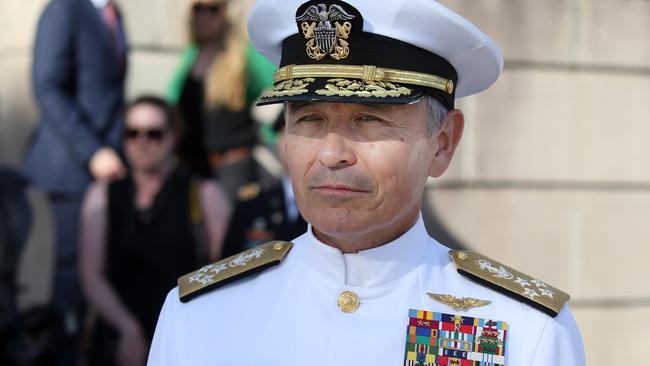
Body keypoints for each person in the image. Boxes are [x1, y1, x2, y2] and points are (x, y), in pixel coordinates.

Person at [148, 1, 585, 365]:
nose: (331, 153)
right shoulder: (200, 317)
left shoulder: (526, 331)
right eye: (309, 118)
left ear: (443, 143)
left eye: (369, 119)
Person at [79, 96, 231, 366]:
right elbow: (91, 276)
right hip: (115, 340)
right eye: (132, 133)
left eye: (154, 133)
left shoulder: (204, 194)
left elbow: (225, 274)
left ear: (173, 137)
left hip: (184, 338)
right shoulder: (102, 195)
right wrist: (128, 329)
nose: (142, 141)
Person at [23, 0, 128, 363]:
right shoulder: (64, 9)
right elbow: (47, 85)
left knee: (99, 277)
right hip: (71, 170)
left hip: (108, 170)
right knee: (70, 283)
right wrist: (92, 151)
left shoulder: (114, 15)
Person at [167, 0, 276, 200]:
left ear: (226, 12)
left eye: (213, 9)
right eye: (198, 9)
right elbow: (171, 102)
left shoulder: (243, 55)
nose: (204, 16)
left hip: (231, 168)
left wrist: (271, 130)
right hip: (190, 166)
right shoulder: (192, 54)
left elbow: (280, 80)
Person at [221, 114, 307, 257]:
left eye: (301, 134)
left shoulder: (334, 205)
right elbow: (226, 265)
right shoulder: (251, 205)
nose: (290, 143)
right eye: (285, 133)